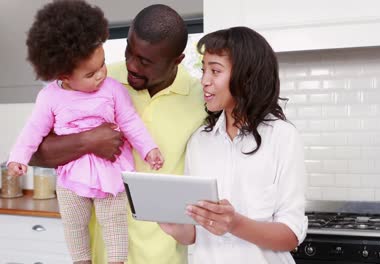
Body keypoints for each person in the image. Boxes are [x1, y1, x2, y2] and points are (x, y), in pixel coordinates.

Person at [29, 4, 206, 264]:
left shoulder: (200, 99)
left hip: (164, 256)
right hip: (102, 254)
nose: (132, 65)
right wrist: (89, 140)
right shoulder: (95, 78)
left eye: (145, 61)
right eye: (129, 51)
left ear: (177, 60)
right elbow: (32, 152)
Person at [8, 1, 165, 264]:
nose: (101, 74)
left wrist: (149, 149)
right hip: (71, 176)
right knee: (73, 225)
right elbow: (33, 131)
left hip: (110, 171)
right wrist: (18, 158)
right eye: (91, 73)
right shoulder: (49, 97)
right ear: (64, 76)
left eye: (103, 64)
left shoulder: (113, 89)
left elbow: (131, 122)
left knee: (114, 224)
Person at [159, 26, 307, 264]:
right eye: (203, 69)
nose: (204, 81)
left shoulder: (282, 137)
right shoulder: (199, 141)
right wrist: (175, 225)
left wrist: (235, 223)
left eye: (215, 71)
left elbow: (290, 236)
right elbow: (194, 234)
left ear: (246, 75)